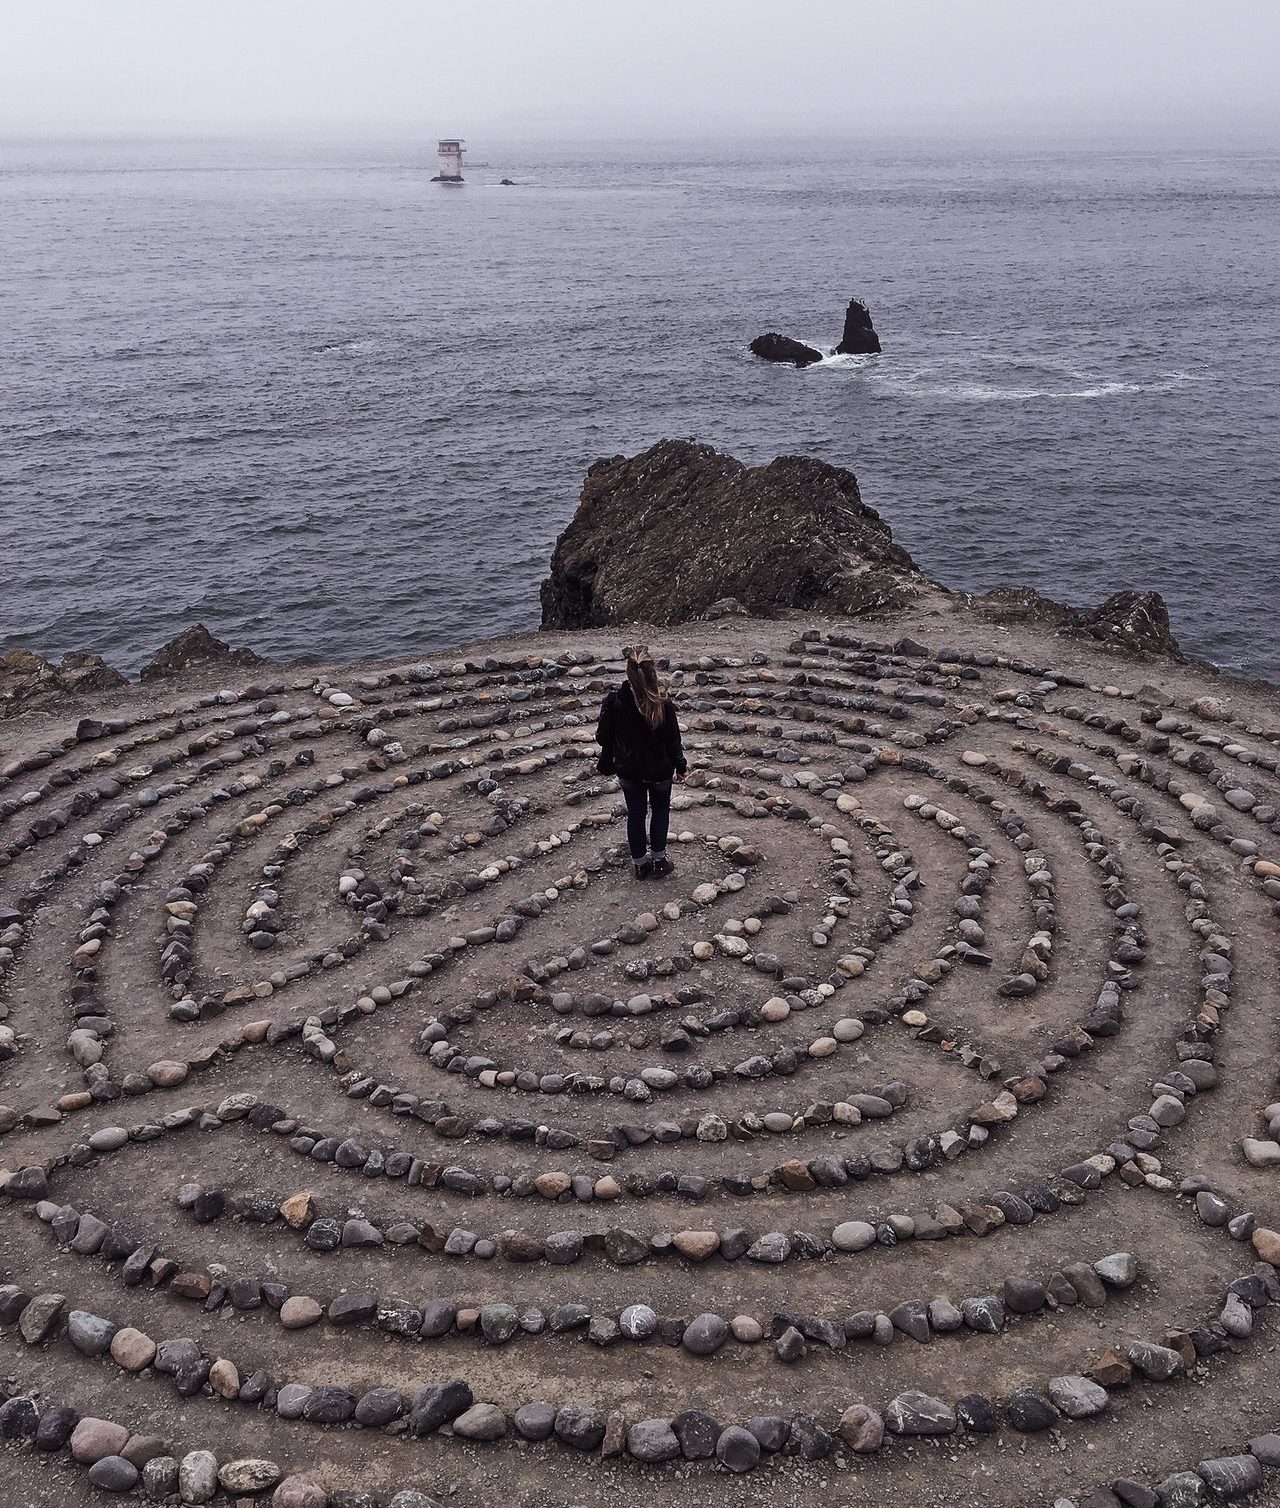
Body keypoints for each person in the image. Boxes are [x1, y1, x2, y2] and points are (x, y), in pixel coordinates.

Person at [595, 646, 687, 878]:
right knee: (660, 812)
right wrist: (681, 765)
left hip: (629, 770)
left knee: (636, 814)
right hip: (660, 770)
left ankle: (640, 864)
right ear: (653, 672)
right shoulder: (663, 704)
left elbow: (602, 738)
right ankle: (659, 860)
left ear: (629, 674)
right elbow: (673, 740)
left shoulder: (614, 701)